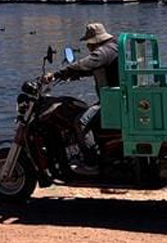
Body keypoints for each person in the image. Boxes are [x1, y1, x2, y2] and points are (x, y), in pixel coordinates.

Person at [42, 23, 119, 161]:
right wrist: (70, 76)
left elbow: (86, 63)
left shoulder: (105, 51)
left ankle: (90, 161)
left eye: (88, 43)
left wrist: (56, 74)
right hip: (114, 98)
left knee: (80, 122)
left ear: (95, 41)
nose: (88, 47)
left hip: (112, 102)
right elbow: (91, 69)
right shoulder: (113, 49)